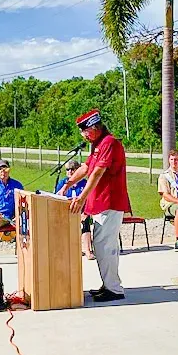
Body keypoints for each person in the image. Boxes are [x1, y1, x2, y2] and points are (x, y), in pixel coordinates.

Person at [59, 109, 130, 302]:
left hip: (110, 202)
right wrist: (67, 184)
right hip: (101, 203)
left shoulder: (109, 143)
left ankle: (114, 289)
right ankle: (108, 284)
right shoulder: (97, 145)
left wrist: (81, 198)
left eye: (85, 131)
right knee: (101, 245)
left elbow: (97, 172)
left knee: (105, 246)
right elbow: (85, 167)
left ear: (95, 127)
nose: (83, 135)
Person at [55, 159, 95, 260]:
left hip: (82, 211)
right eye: (67, 170)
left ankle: (87, 250)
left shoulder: (85, 183)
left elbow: (90, 199)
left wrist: (85, 213)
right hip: (66, 211)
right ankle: (65, 249)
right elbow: (57, 198)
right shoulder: (62, 184)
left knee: (85, 223)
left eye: (72, 169)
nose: (70, 172)